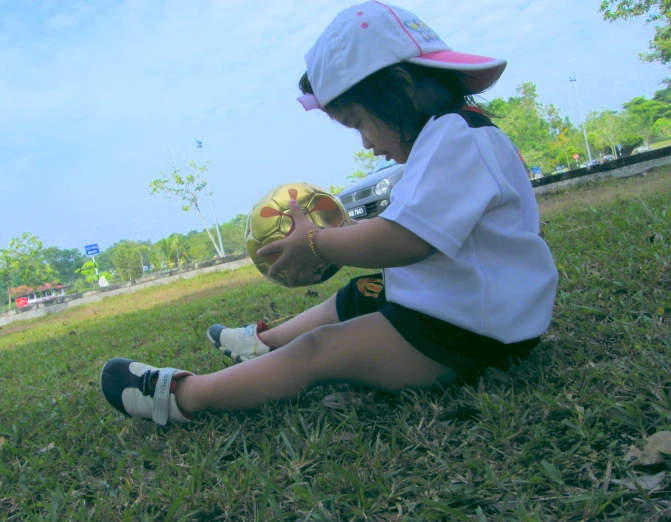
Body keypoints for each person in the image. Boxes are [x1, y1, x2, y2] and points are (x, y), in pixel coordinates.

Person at [100, 2, 558, 426]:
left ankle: (184, 396)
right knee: (361, 294)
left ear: (400, 88)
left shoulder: (456, 138)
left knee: (320, 350)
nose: (364, 142)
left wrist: (314, 242)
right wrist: (350, 232)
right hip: (466, 312)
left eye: (358, 121)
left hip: (467, 337)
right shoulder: (453, 135)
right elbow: (412, 229)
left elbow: (404, 241)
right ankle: (263, 344)